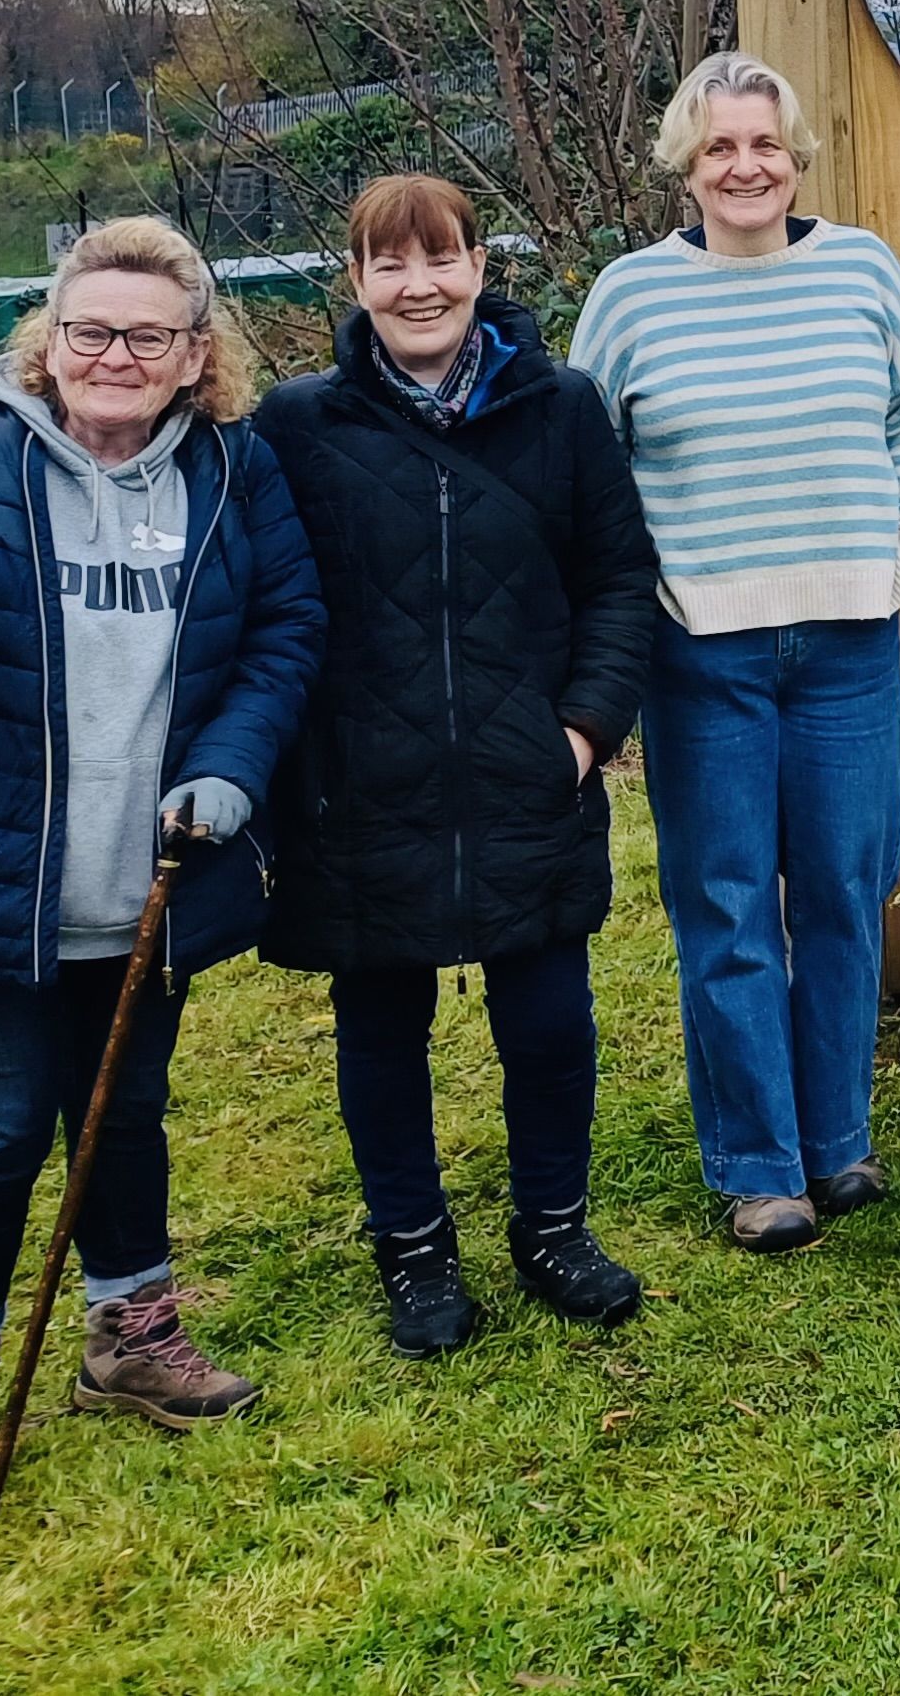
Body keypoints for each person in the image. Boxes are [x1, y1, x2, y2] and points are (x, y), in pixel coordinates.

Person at [0, 216, 324, 1510]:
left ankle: (130, 1334)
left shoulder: (233, 475)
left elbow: (286, 630)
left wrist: (236, 767)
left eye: (149, 334)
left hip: (145, 879)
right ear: (51, 335)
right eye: (91, 329)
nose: (116, 354)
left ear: (198, 353)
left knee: (121, 1116)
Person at [255, 174, 662, 1356]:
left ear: (480, 268)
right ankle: (415, 1251)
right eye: (390, 264)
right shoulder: (299, 423)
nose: (418, 285)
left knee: (546, 1019)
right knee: (381, 1024)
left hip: (526, 772)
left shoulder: (563, 408)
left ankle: (554, 1231)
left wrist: (582, 733)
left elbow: (618, 582)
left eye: (440, 259)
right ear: (357, 283)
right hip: (360, 787)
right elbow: (269, 599)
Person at [569, 52, 900, 1253]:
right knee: (726, 904)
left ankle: (837, 1143)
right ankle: (757, 1165)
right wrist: (647, 596)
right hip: (704, 651)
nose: (746, 167)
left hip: (847, 635)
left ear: (796, 160)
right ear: (687, 163)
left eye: (765, 145)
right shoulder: (630, 298)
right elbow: (589, 469)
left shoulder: (861, 269)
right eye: (720, 147)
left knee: (840, 890)